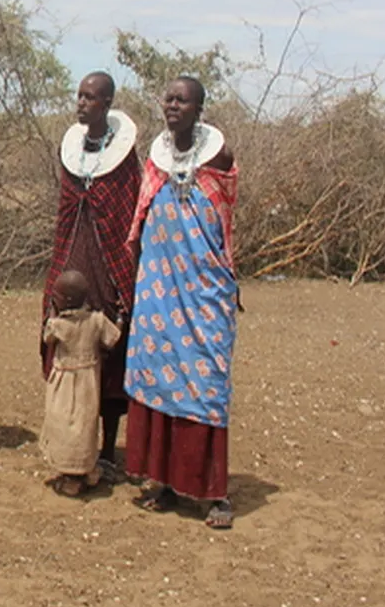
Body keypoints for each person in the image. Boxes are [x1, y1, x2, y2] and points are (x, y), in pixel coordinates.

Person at [125, 76, 240, 529]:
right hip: (158, 290)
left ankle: (213, 492)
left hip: (202, 290)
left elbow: (222, 216)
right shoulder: (155, 161)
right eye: (169, 99)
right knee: (156, 372)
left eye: (183, 100)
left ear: (199, 108)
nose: (173, 106)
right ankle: (163, 481)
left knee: (205, 378)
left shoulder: (219, 159)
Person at [43, 71, 140, 478]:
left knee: (109, 352)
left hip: (108, 265)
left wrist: (120, 272)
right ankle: (67, 440)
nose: (81, 103)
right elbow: (67, 210)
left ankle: (106, 446)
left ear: (107, 104)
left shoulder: (123, 162)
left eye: (90, 97)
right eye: (79, 95)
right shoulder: (71, 153)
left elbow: (126, 213)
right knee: (66, 348)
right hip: (72, 257)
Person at [41, 270, 123, 497]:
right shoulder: (96, 321)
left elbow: (47, 337)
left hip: (63, 386)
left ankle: (70, 476)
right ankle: (84, 468)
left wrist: (52, 313)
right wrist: (120, 319)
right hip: (88, 386)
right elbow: (113, 338)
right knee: (85, 427)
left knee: (63, 424)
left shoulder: (58, 325)